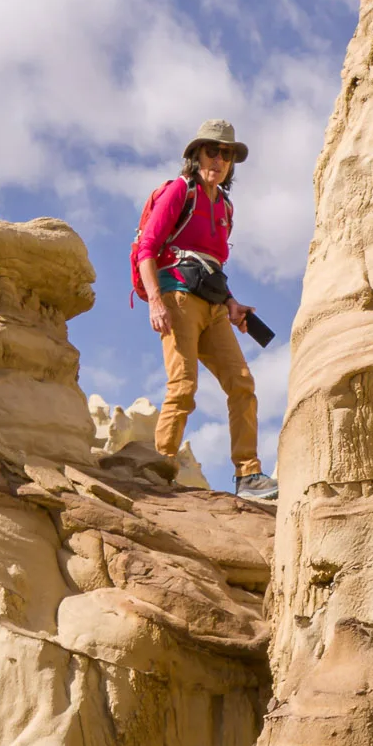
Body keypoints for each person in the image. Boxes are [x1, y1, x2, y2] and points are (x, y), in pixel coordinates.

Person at [132, 117, 277, 499]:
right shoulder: (182, 191)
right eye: (212, 150)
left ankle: (248, 475)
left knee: (242, 383)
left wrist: (231, 303)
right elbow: (147, 249)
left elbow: (212, 266)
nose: (219, 159)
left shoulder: (225, 208)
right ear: (195, 155)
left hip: (213, 307)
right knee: (183, 385)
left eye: (226, 154)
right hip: (177, 300)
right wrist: (155, 303)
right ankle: (161, 466)